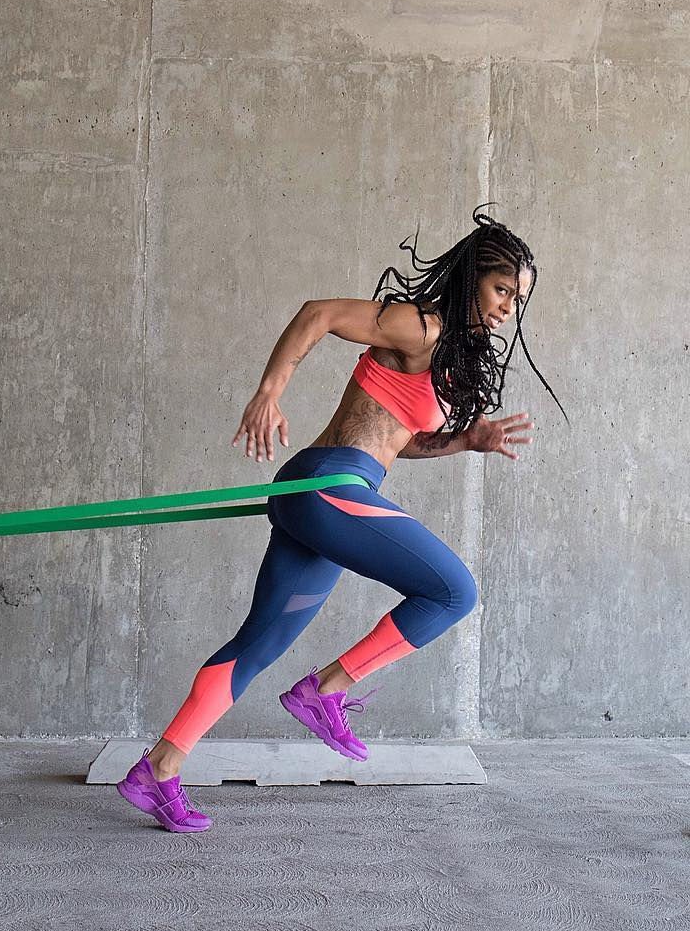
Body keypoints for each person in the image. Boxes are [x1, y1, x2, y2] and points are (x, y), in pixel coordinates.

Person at [117, 209, 563, 833]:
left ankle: (159, 769)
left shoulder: (442, 355)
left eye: (518, 298)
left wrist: (466, 441)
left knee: (258, 644)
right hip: (330, 484)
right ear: (472, 279)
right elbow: (319, 313)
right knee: (454, 592)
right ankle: (326, 688)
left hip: (325, 494)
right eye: (501, 289)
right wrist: (270, 392)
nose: (508, 308)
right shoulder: (421, 325)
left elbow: (398, 440)